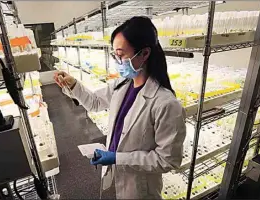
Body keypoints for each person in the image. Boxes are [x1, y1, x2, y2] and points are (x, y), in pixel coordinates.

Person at [54, 16, 186, 199]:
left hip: (139, 189)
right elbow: (94, 102)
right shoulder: (122, 85)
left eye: (121, 54)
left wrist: (117, 158)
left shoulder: (166, 104)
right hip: (114, 176)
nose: (117, 60)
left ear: (144, 54)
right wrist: (73, 85)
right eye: (114, 54)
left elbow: (168, 160)